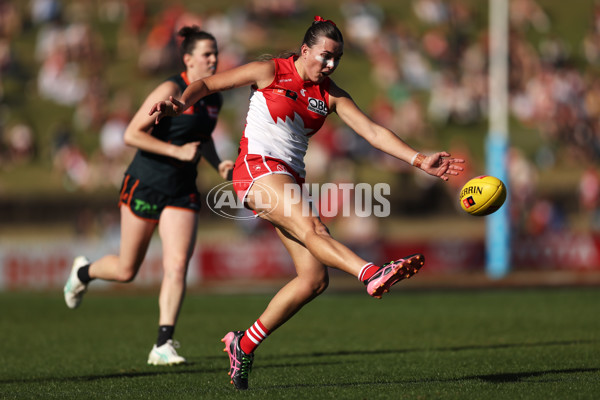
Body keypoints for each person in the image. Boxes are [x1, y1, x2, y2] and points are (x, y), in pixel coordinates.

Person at [150, 16, 465, 389]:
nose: (330, 65)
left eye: (337, 59)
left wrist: (418, 159)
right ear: (305, 51)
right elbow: (204, 84)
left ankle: (243, 343)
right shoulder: (270, 70)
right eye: (325, 56)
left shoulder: (330, 94)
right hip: (255, 169)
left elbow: (374, 132)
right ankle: (370, 272)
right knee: (315, 229)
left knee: (314, 279)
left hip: (288, 179)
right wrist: (179, 104)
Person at [63, 27, 235, 366]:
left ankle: (163, 343)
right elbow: (131, 134)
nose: (214, 59)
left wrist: (219, 164)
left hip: (182, 188)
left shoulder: (213, 96)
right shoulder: (170, 88)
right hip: (147, 182)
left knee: (177, 265)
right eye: (207, 54)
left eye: (215, 53)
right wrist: (177, 152)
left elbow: (204, 138)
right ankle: (83, 273)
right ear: (188, 59)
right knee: (128, 270)